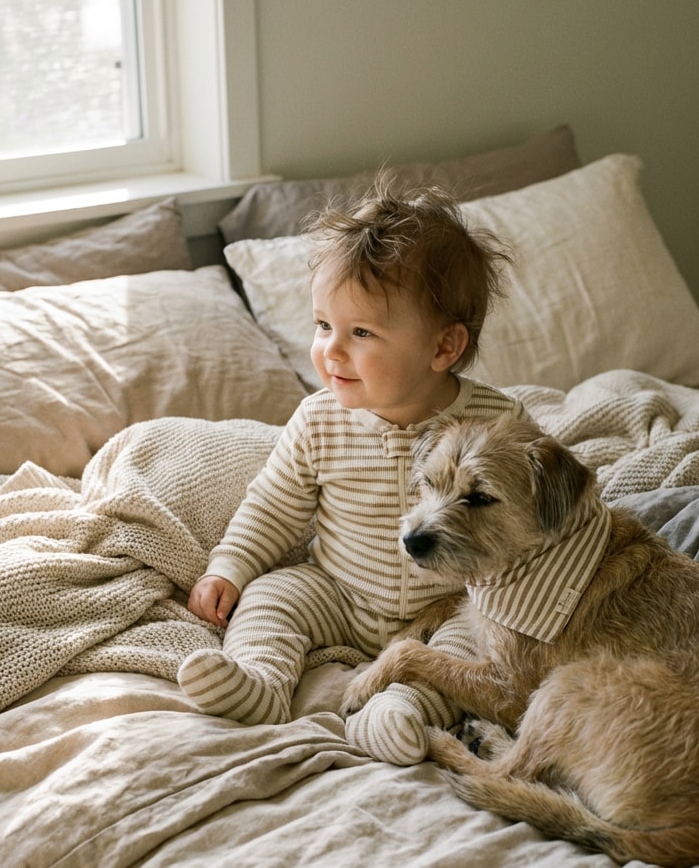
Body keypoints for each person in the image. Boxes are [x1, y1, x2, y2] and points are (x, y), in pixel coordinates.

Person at [178, 176, 529, 764]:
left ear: (443, 349)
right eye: (323, 326)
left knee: (476, 641)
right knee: (273, 595)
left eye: (360, 333)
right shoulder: (319, 420)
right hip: (338, 592)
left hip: (448, 602)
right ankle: (261, 682)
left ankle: (404, 711)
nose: (331, 351)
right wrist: (230, 568)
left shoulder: (497, 422)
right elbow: (274, 503)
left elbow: (533, 512)